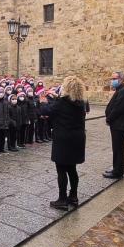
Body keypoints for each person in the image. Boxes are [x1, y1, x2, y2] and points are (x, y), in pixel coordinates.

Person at [47, 76, 87, 210]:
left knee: (61, 170)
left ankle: (62, 199)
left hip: (64, 139)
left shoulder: (61, 102)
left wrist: (44, 101)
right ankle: (73, 197)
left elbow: (47, 111)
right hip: (77, 139)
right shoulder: (81, 102)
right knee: (72, 168)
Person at [103, 71, 124, 179]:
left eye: (114, 78)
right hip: (117, 124)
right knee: (116, 148)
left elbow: (118, 108)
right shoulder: (120, 90)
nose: (112, 80)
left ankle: (117, 172)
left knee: (118, 149)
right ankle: (116, 168)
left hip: (120, 125)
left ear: (121, 79)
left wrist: (109, 119)